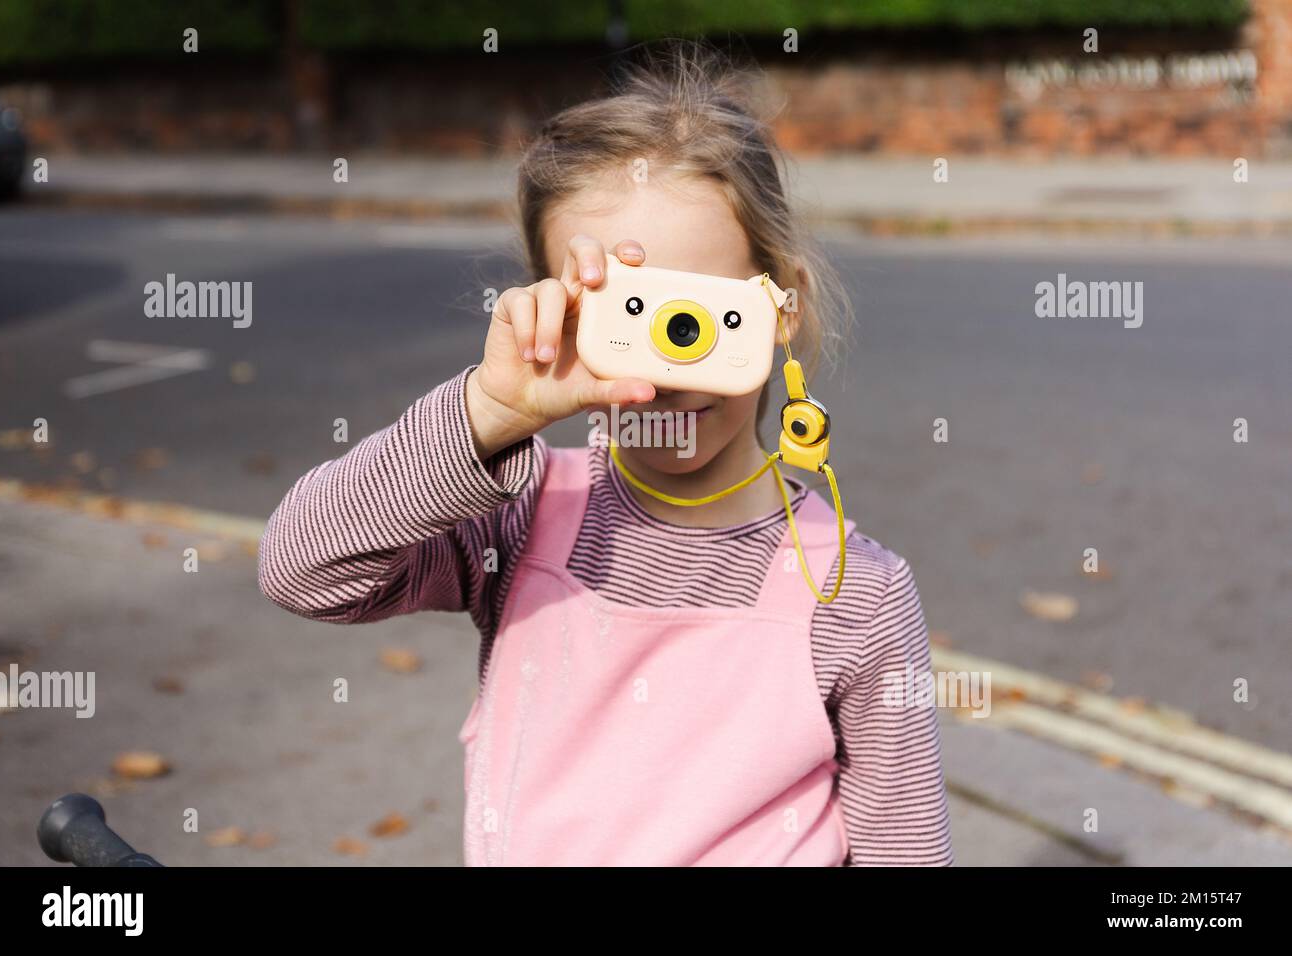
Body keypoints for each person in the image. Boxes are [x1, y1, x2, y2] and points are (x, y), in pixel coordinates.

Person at [259, 43, 952, 867]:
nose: (663, 375)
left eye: (693, 319)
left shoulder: (855, 594)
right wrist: (489, 411)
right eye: (627, 318)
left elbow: (904, 852)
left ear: (782, 307)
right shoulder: (519, 515)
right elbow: (302, 568)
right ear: (551, 315)